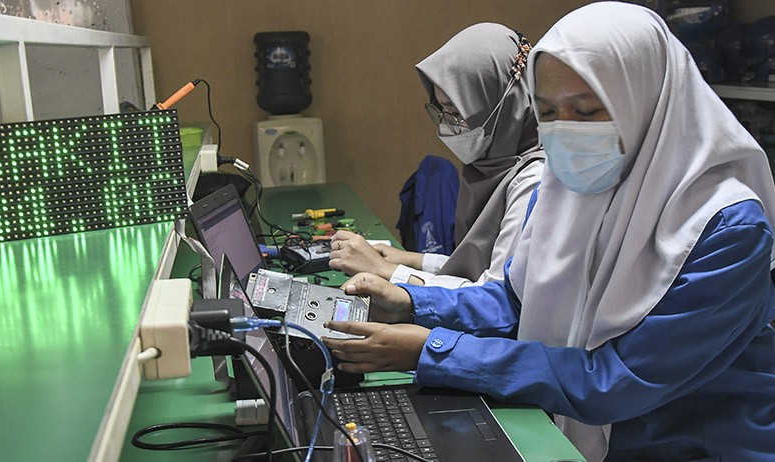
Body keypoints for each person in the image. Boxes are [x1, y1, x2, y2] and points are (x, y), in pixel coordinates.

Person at [322, 3, 775, 461]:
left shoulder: (727, 228)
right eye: (549, 111)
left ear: (648, 102)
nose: (564, 133)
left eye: (587, 110)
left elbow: (616, 381)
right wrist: (411, 304)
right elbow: (519, 301)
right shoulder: (568, 186)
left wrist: (435, 351)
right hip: (577, 430)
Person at [328, 23, 544, 288]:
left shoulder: (532, 183)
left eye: (456, 112)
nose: (447, 126)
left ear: (502, 106)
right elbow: (475, 265)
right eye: (441, 111)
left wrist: (385, 270)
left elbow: (492, 297)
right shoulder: (490, 168)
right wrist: (411, 260)